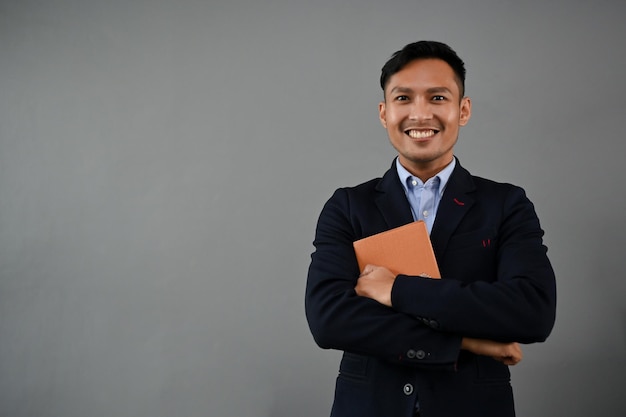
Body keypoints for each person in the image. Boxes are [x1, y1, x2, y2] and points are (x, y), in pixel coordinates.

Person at [305, 41, 557, 417]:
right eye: (403, 98)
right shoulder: (347, 206)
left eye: (438, 97)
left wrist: (397, 289)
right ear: (384, 112)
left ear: (463, 109)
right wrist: (469, 341)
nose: (420, 114)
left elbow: (532, 311)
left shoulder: (506, 204)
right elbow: (329, 320)